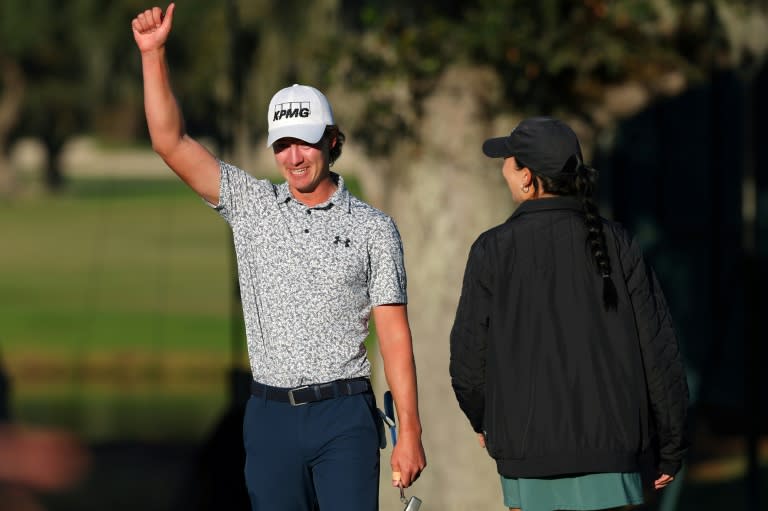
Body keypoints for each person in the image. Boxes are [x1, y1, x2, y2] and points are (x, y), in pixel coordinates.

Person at [131, 4, 426, 511]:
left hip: (346, 416)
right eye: (282, 145)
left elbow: (394, 337)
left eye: (306, 144)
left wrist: (410, 432)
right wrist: (153, 55)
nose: (293, 157)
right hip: (269, 415)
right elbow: (169, 141)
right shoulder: (253, 206)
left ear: (331, 142)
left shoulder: (373, 228)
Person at [449, 117, 689, 511]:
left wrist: (485, 420)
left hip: (527, 459)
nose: (504, 171)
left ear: (528, 178)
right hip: (613, 457)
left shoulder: (492, 249)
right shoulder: (618, 242)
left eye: (508, 162)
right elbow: (659, 352)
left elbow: (468, 362)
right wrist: (671, 443)